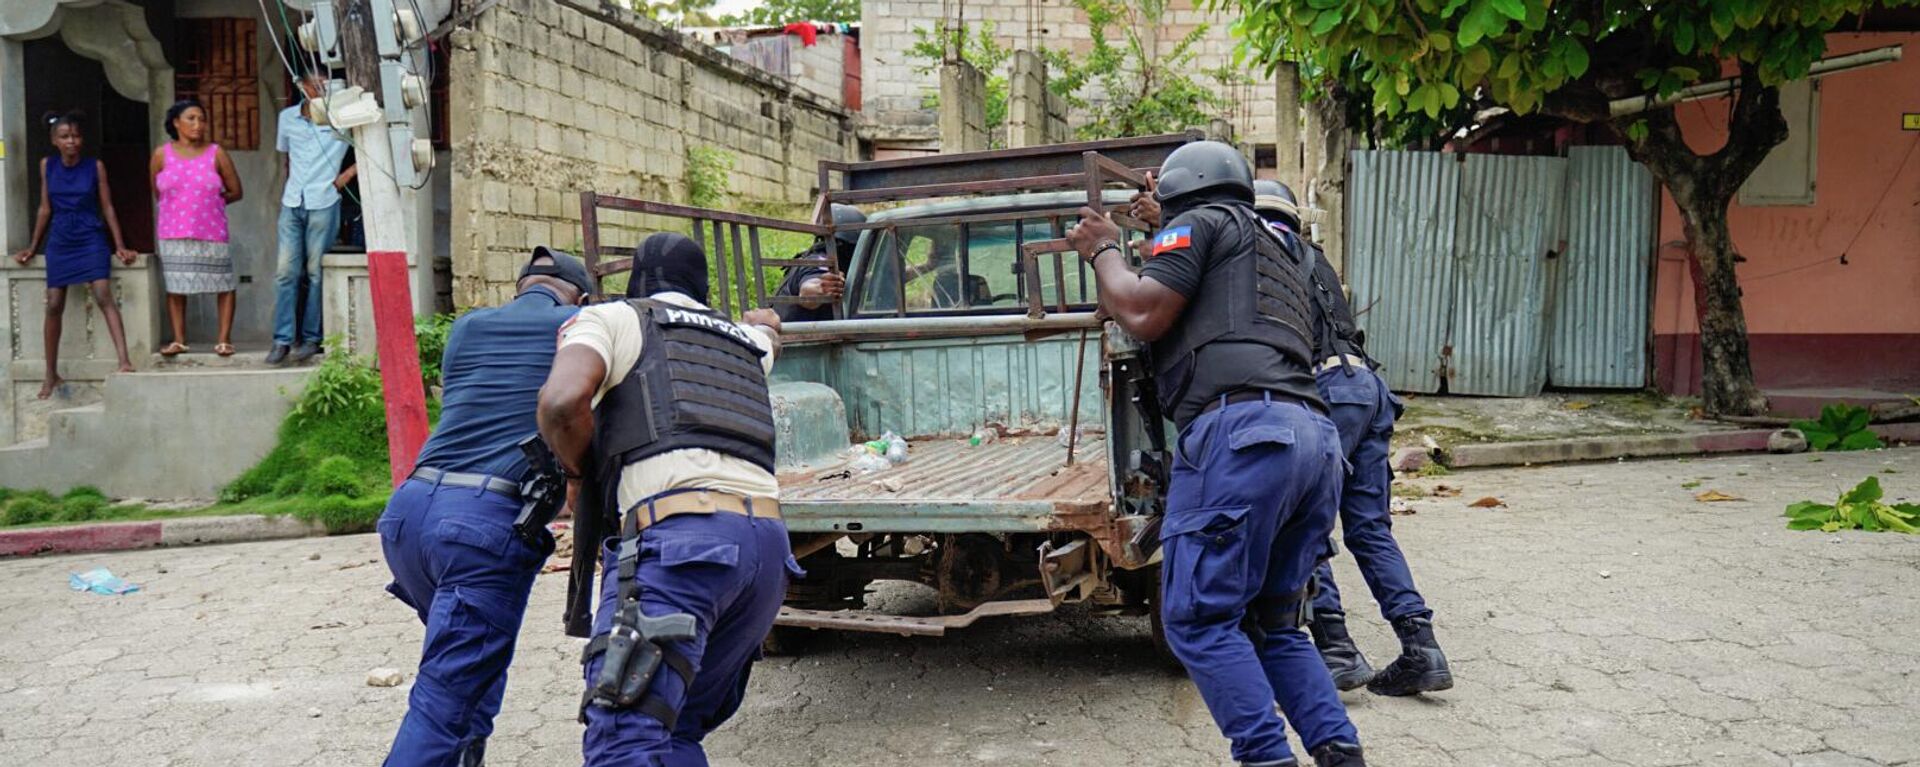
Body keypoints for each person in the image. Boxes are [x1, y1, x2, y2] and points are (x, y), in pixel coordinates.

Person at [1071, 141, 1364, 767]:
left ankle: (1265, 758)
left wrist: (1101, 249)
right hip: (1313, 439)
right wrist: (1159, 228)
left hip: (1245, 437)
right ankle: (1341, 755)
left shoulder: (1197, 225)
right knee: (1276, 624)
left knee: (1200, 623)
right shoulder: (1270, 243)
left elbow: (1143, 311)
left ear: (1181, 197)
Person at [538, 232, 795, 767]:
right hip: (766, 556)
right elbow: (771, 332)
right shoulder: (741, 339)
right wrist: (766, 318)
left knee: (625, 733)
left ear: (635, 282)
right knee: (677, 729)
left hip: (682, 546)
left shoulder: (613, 319)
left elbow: (562, 403)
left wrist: (581, 476)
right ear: (701, 287)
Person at [377, 246, 594, 767]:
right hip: (479, 528)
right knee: (444, 702)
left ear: (519, 289)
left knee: (470, 670)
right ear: (580, 296)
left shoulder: (469, 327)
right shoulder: (583, 325)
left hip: (407, 515)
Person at [1251, 180, 1451, 697]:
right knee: (1369, 529)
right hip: (1367, 387)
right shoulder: (1314, 257)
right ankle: (1422, 649)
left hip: (1326, 392)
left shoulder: (1259, 254)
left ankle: (1336, 648)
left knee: (1303, 521)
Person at [11, 111, 138, 398]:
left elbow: (107, 207)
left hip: (90, 233)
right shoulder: (47, 165)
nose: (72, 142)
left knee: (103, 292)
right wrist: (33, 246)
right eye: (65, 137)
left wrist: (118, 244)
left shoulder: (95, 167)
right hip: (60, 237)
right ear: (54, 141)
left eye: (76, 136)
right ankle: (50, 374)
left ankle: (124, 361)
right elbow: (45, 208)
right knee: (54, 303)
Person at [268, 72, 356, 365]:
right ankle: (281, 340)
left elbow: (370, 146)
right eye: (316, 85)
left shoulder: (339, 117)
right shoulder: (287, 118)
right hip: (292, 201)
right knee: (285, 273)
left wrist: (341, 178)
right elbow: (287, 156)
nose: (321, 90)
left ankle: (311, 338)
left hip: (324, 200)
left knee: (316, 272)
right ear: (302, 87)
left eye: (325, 86)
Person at [150, 98, 243, 357]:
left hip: (212, 230)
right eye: (191, 118)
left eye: (202, 119)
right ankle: (179, 340)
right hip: (172, 230)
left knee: (223, 283)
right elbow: (158, 192)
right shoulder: (161, 154)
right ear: (176, 123)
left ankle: (224, 340)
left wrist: (209, 203)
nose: (198, 124)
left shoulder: (217, 153)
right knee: (176, 286)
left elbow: (236, 190)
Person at [771, 203, 864, 323]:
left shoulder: (814, 258)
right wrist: (822, 287)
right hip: (795, 339)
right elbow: (809, 289)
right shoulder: (821, 261)